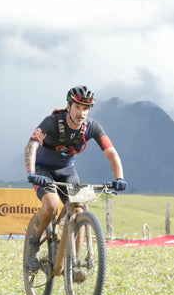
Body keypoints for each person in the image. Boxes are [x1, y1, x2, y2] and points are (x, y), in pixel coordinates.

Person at [23, 86, 126, 270]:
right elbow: (31, 146)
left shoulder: (92, 127)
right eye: (78, 107)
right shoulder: (51, 122)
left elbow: (111, 153)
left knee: (79, 211)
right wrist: (31, 173)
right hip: (42, 169)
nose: (82, 112)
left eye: (86, 108)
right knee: (51, 205)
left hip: (67, 170)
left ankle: (76, 263)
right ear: (69, 106)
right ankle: (33, 243)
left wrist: (119, 177)